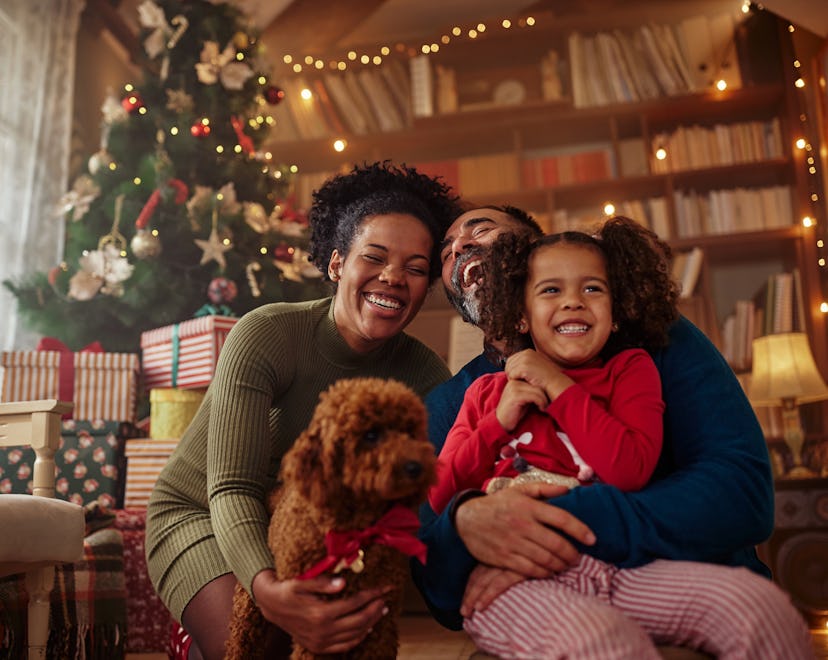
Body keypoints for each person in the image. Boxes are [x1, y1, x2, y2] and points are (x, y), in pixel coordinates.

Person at [412, 205, 814, 658]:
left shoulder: (650, 342)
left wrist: (561, 522)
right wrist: (465, 526)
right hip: (539, 600)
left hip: (673, 577)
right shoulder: (456, 400)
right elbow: (433, 572)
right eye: (445, 252)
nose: (459, 246)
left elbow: (741, 494)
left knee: (763, 613)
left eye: (480, 230)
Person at [144, 161, 463, 660]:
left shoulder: (427, 378)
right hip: (201, 514)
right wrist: (267, 589)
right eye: (374, 257)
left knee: (341, 638)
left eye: (416, 268)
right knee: (261, 648)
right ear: (337, 264)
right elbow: (232, 487)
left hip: (316, 530)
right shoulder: (266, 334)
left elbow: (429, 497)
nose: (394, 278)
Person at [429, 218, 677, 513]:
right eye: (550, 290)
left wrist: (557, 385)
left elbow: (629, 472)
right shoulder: (484, 393)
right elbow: (439, 495)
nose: (573, 301)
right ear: (520, 315)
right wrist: (497, 423)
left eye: (592, 288)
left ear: (617, 312)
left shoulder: (630, 369)